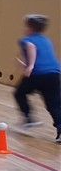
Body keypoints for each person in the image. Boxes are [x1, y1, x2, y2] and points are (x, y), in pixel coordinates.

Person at [13, 14, 61, 143]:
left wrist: (30, 65)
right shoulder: (47, 40)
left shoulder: (26, 40)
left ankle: (28, 118)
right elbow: (44, 59)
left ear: (30, 27)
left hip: (38, 73)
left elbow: (31, 47)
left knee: (19, 93)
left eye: (25, 25)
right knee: (54, 104)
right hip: (53, 73)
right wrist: (25, 65)